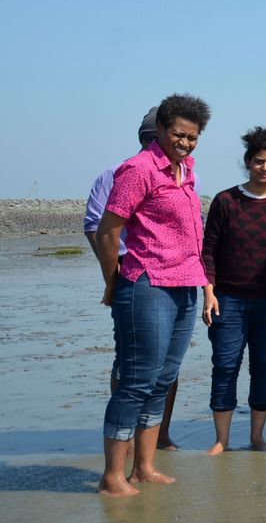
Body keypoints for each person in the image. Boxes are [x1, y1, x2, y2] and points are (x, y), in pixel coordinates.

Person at [94, 93, 211, 497]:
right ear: (159, 130)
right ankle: (112, 476)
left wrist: (205, 286)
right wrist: (115, 281)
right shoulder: (138, 169)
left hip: (184, 285)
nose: (185, 142)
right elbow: (108, 229)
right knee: (136, 380)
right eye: (178, 134)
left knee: (162, 380)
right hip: (146, 284)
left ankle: (144, 467)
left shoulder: (186, 170)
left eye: (193, 136)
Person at [201, 127, 266, 456]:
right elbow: (209, 251)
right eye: (259, 161)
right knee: (225, 366)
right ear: (248, 162)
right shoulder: (225, 201)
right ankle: (222, 440)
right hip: (227, 299)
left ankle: (257, 436)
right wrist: (209, 293)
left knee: (264, 365)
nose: (265, 168)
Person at [84, 106, 180, 451]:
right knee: (132, 362)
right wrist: (113, 278)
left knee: (167, 364)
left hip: (171, 276)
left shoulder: (179, 174)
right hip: (132, 273)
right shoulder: (118, 173)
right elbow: (96, 227)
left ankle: (158, 436)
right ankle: (123, 444)